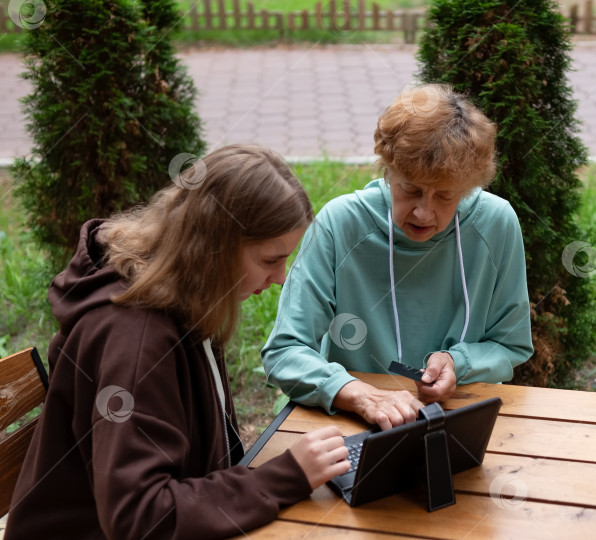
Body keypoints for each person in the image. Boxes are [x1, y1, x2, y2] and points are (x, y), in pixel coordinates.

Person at [6, 145, 350, 539]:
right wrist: (282, 478)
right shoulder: (136, 343)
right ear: (216, 248)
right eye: (270, 260)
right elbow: (139, 516)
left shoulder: (187, 297)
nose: (279, 278)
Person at [262, 84, 533, 431]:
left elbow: (510, 344)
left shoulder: (496, 223)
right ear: (388, 170)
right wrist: (358, 394)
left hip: (462, 416)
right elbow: (284, 351)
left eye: (445, 196)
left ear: (467, 189)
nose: (423, 212)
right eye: (411, 189)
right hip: (360, 422)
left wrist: (458, 362)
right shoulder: (339, 224)